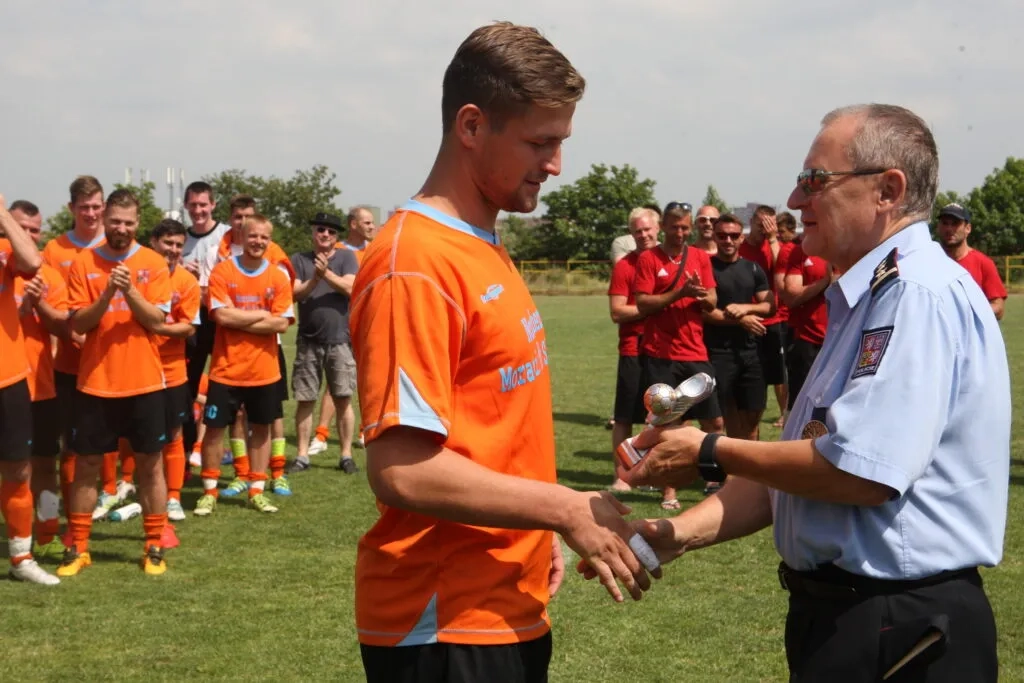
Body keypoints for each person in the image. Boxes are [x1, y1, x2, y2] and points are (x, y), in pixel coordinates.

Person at [617, 103, 1009, 681]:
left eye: (814, 180)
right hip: (854, 618)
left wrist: (709, 451)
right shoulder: (870, 296)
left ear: (888, 190)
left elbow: (860, 474)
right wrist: (675, 534)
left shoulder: (914, 295)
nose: (796, 200)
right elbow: (796, 469)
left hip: (899, 624)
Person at [349, 22, 657, 683]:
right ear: (471, 125)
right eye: (540, 142)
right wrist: (563, 508)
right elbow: (401, 469)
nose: (555, 164)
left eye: (560, 142)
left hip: (500, 601)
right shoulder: (416, 263)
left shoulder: (480, 244)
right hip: (444, 621)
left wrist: (535, 529)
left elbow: (490, 427)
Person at [60, 189, 173, 577]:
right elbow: (79, 323)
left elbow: (157, 321)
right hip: (96, 382)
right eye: (115, 222)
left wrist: (129, 289)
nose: (121, 228)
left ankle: (154, 545)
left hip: (145, 383)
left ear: (137, 223)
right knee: (87, 464)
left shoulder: (153, 262)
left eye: (128, 222)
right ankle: (79, 547)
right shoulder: (83, 262)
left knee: (150, 466)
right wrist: (108, 291)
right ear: (104, 220)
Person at [194, 215, 293, 516]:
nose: (258, 242)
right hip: (226, 370)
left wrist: (240, 317)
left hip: (265, 371)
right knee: (214, 430)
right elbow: (221, 316)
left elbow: (282, 323)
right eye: (253, 236)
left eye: (264, 237)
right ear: (242, 236)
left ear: (270, 240)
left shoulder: (278, 277)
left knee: (261, 429)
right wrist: (262, 315)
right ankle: (209, 491)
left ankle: (256, 490)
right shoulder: (223, 271)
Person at [633, 201, 723, 502]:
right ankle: (668, 490)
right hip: (660, 354)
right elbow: (643, 303)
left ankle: (714, 479)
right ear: (663, 227)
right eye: (675, 227)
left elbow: (712, 300)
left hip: (695, 351)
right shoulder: (648, 258)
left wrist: (700, 296)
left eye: (685, 227)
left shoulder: (699, 257)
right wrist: (680, 293)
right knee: (668, 424)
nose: (680, 233)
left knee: (714, 422)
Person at [0, 195, 58, 585]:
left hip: (14, 378)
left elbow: (33, 262)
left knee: (23, 468)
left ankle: (25, 554)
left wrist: (3, 215)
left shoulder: (7, 250)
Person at [42, 176, 107, 516]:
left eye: (96, 206)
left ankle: (109, 493)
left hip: (108, 362)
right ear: (72, 208)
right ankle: (68, 513)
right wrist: (70, 334)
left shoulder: (116, 244)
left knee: (105, 440)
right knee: (68, 444)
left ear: (104, 207)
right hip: (68, 363)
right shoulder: (54, 250)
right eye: (84, 207)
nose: (91, 213)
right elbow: (51, 304)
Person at [9, 202, 70, 558]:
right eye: (23, 228)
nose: (30, 235)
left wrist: (39, 305)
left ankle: (47, 531)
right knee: (12, 469)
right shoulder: (5, 270)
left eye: (35, 230)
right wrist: (19, 310)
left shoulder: (50, 276)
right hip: (7, 385)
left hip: (41, 388)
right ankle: (17, 533)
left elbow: (62, 327)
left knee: (46, 465)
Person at [286, 212, 359, 474]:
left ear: (336, 236)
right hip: (308, 340)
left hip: (340, 341)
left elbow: (350, 288)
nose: (325, 234)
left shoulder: (347, 258)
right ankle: (302, 455)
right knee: (305, 400)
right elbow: (294, 293)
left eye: (330, 231)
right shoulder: (299, 259)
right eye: (320, 229)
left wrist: (325, 273)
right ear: (313, 232)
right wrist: (315, 278)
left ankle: (346, 455)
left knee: (343, 399)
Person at [309, 206, 377, 455]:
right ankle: (321, 434)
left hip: (369, 322)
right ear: (353, 224)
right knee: (334, 381)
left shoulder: (375, 250)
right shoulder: (336, 251)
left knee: (368, 378)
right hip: (340, 324)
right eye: (367, 223)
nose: (372, 227)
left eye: (372, 223)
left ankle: (364, 430)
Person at [701, 213, 774, 442]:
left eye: (733, 235)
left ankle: (747, 463)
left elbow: (769, 306)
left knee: (752, 418)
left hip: (751, 353)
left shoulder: (753, 268)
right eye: (722, 235)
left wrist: (744, 309)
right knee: (720, 419)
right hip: (717, 353)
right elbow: (704, 312)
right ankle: (725, 463)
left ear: (742, 237)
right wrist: (739, 320)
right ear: (714, 237)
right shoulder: (706, 267)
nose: (728, 240)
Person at [148, 219, 201, 523]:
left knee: (174, 433)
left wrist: (155, 328)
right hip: (138, 365)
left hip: (172, 370)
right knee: (134, 434)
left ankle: (173, 497)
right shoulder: (138, 273)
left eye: (179, 245)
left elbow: (188, 327)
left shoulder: (186, 281)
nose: (173, 249)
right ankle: (123, 485)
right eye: (168, 242)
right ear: (153, 242)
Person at [606, 207, 659, 491]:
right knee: (625, 416)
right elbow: (617, 311)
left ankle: (656, 475)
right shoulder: (625, 266)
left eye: (648, 229)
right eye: (638, 231)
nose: (643, 235)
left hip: (666, 349)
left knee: (662, 417)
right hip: (633, 348)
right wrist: (656, 306)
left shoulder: (669, 260)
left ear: (658, 228)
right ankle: (622, 476)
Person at [740, 206, 788, 427]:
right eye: (760, 224)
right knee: (751, 373)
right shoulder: (741, 247)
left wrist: (772, 238)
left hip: (774, 319)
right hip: (746, 318)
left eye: (769, 225)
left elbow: (782, 268)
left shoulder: (774, 246)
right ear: (751, 222)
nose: (763, 229)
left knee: (778, 373)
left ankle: (784, 412)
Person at [935, 203, 1007, 321]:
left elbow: (998, 308)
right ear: (938, 227)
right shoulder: (930, 261)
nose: (949, 229)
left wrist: (971, 313)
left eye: (955, 224)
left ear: (967, 228)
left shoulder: (983, 263)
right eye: (945, 223)